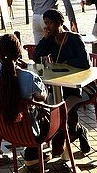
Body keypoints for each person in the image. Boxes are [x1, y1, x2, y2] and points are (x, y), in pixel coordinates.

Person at [34, 9, 92, 155]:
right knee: (53, 109)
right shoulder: (51, 40)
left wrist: (67, 62)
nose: (47, 27)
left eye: (50, 23)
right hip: (60, 87)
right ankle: (76, 131)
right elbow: (36, 57)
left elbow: (85, 62)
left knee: (62, 111)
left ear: (59, 23)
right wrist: (45, 38)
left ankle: (65, 138)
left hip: (80, 88)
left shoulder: (74, 39)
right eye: (45, 23)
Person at [0, 33, 48, 163]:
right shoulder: (29, 78)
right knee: (53, 109)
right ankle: (33, 152)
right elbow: (42, 96)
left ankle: (32, 153)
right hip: (30, 132)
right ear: (19, 54)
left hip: (4, 130)